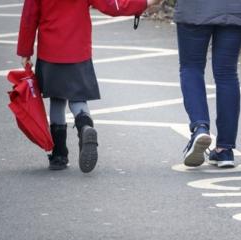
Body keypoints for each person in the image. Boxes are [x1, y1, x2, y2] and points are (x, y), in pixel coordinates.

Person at [17, 0, 157, 172]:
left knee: (57, 100)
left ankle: (59, 155)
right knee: (78, 98)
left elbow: (29, 17)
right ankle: (85, 127)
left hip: (50, 50)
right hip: (78, 50)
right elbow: (111, 5)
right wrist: (143, 3)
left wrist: (25, 50)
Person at [174, 0, 241, 168]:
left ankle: (200, 128)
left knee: (191, 68)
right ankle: (225, 149)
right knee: (227, 73)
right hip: (236, 8)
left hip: (194, 9)